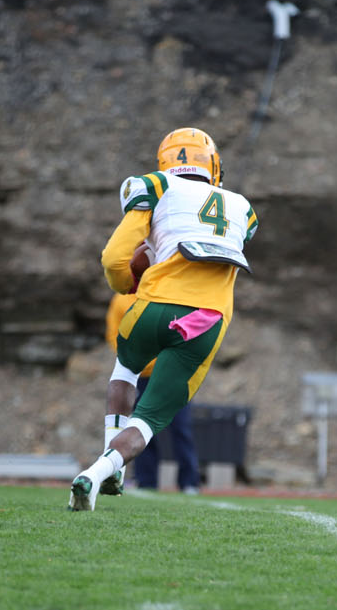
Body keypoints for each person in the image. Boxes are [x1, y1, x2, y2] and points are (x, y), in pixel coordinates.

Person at [69, 126, 257, 511]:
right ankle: (101, 471)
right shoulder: (243, 207)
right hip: (206, 322)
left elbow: (114, 260)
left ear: (165, 162)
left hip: (152, 307)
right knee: (150, 420)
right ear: (213, 165)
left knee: (124, 371)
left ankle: (110, 466)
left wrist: (127, 283)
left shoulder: (153, 186)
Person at [104, 291, 201, 494]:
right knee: (140, 427)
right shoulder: (121, 300)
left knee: (181, 428)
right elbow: (114, 334)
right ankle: (146, 480)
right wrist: (132, 358)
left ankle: (189, 482)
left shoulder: (168, 293)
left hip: (172, 375)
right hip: (140, 376)